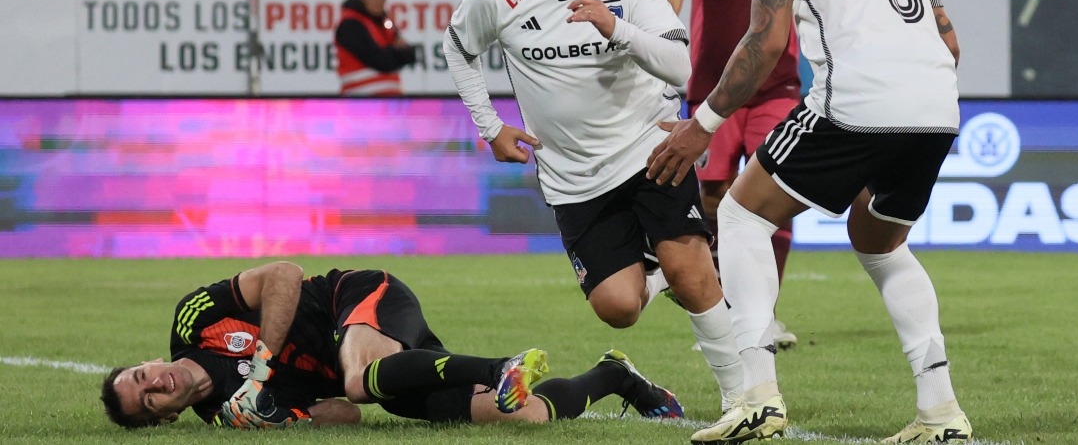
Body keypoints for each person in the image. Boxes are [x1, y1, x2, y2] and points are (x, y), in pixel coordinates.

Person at [646, 0, 971, 441]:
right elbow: (948, 39)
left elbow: (765, 40)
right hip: (936, 104)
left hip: (856, 101)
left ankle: (757, 398)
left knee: (741, 216)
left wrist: (702, 122)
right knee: (881, 243)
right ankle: (940, 411)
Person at [444, 0, 746, 417]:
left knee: (691, 270)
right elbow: (458, 46)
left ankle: (742, 399)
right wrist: (490, 126)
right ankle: (656, 278)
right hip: (574, 175)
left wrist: (616, 29)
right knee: (618, 307)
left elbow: (680, 65)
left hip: (650, 146)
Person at [100, 261, 682, 429]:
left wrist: (259, 369)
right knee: (523, 417)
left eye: (141, 376)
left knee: (359, 377)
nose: (156, 385)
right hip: (383, 366)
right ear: (166, 417)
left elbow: (283, 274)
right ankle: (616, 376)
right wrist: (278, 420)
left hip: (355, 299)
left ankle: (500, 367)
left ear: (149, 362)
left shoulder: (193, 320)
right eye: (149, 401)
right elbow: (346, 414)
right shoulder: (224, 417)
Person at [654, 0, 800, 351]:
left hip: (778, 87)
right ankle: (725, 318)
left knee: (774, 194)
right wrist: (659, 60)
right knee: (713, 197)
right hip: (711, 90)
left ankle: (765, 317)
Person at [335, 0, 418, 96]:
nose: (380, 0)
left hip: (389, 101)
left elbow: (410, 54)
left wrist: (392, 54)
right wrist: (397, 53)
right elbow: (379, 60)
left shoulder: (385, 22)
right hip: (360, 101)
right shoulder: (350, 24)